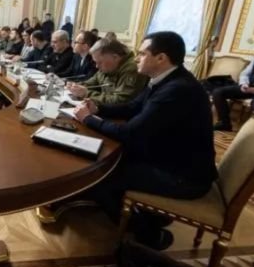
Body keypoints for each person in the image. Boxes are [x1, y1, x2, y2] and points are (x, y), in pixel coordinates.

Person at [69, 31, 217, 249]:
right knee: (107, 160)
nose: (136, 58)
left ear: (161, 58)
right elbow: (132, 107)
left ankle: (147, 234)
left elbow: (131, 133)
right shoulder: (167, 79)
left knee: (102, 176)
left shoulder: (177, 90)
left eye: (142, 54)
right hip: (169, 156)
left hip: (183, 176)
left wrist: (88, 119)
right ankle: (148, 215)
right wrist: (98, 108)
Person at [67, 39, 148, 106]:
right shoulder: (107, 66)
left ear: (115, 57)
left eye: (99, 62)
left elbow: (121, 101)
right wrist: (76, 86)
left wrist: (87, 93)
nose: (97, 66)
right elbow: (92, 82)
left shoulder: (132, 69)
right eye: (95, 62)